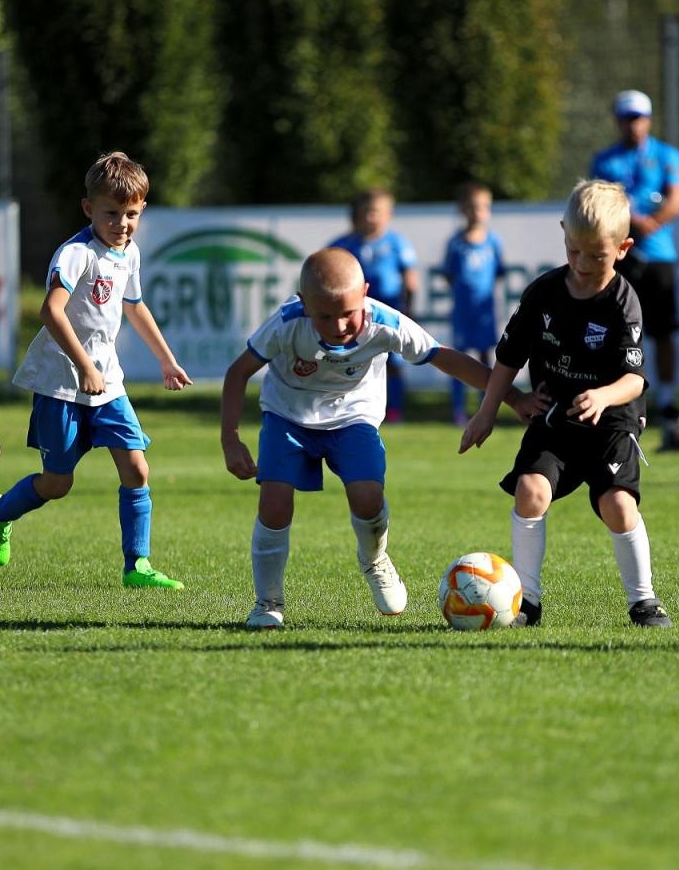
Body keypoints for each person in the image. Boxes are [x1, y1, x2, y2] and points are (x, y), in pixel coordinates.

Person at [221, 248, 528, 629]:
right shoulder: (286, 322)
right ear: (304, 303)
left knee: (368, 497)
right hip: (288, 416)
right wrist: (231, 439)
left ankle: (374, 560)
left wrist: (513, 398)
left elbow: (444, 357)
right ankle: (268, 603)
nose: (338, 325)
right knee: (274, 503)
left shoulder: (386, 322)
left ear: (365, 292)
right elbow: (238, 372)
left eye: (348, 313)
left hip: (353, 417)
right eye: (324, 316)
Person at [461, 180, 674, 629]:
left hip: (612, 421)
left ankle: (644, 600)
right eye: (574, 251)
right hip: (555, 417)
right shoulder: (543, 293)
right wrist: (487, 412)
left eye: (596, 256)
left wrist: (603, 395)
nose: (581, 264)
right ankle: (526, 602)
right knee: (530, 491)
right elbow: (508, 359)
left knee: (618, 505)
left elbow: (634, 379)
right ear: (563, 234)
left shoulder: (623, 301)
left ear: (623, 249)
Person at [0, 152, 192, 588]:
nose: (122, 223)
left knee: (137, 469)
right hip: (61, 383)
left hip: (108, 384)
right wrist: (84, 365)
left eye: (131, 214)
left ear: (142, 210)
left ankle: (137, 566)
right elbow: (50, 311)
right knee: (58, 483)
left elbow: (135, 307)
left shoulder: (129, 253)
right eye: (111, 213)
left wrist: (166, 359)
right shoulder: (76, 254)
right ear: (89, 208)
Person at [588, 89, 679, 419]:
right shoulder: (604, 160)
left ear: (649, 120)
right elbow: (597, 203)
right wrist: (631, 220)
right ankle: (614, 397)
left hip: (658, 256)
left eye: (639, 118)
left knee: (663, 331)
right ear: (618, 122)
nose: (633, 125)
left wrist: (650, 223)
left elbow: (677, 200)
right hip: (619, 258)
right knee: (614, 330)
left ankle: (667, 400)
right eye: (627, 118)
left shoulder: (667, 155)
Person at [329, 188, 419, 422]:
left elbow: (410, 277)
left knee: (393, 361)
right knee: (350, 359)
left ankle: (395, 409)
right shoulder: (344, 244)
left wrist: (409, 307)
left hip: (388, 311)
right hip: (354, 315)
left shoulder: (397, 243)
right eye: (366, 212)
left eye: (376, 212)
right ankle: (347, 408)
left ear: (388, 214)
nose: (371, 217)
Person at [441, 182, 506, 425]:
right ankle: (458, 408)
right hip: (463, 312)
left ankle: (484, 406)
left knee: (485, 356)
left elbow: (498, 274)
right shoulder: (455, 243)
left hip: (484, 312)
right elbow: (450, 275)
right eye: (473, 207)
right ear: (463, 210)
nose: (478, 212)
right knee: (458, 357)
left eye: (484, 207)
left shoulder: (493, 242)